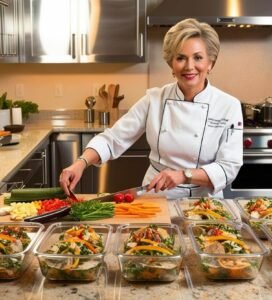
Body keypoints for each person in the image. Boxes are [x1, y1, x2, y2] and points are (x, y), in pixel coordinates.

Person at [59, 18, 243, 199]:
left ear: (210, 63)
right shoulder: (154, 99)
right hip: (159, 195)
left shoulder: (228, 106)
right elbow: (113, 138)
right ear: (171, 64)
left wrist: (184, 175)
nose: (189, 66)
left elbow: (229, 166)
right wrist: (80, 163)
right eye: (180, 58)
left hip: (207, 202)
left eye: (198, 57)